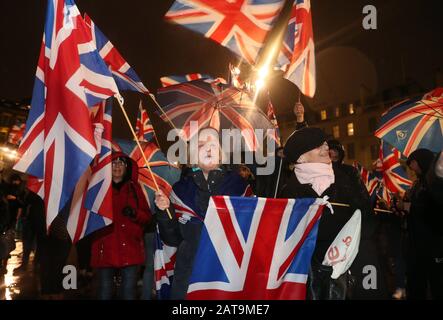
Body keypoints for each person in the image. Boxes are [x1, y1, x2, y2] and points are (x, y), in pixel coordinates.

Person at [280, 127, 385, 299]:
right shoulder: (288, 191)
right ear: (301, 157)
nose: (325, 147)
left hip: (353, 264)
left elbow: (367, 217)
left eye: (324, 143)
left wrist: (355, 254)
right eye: (317, 146)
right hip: (311, 273)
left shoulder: (348, 175)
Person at [154, 127, 252, 299]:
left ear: (221, 154)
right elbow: (172, 239)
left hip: (226, 273)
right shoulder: (179, 190)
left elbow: (251, 232)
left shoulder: (239, 186)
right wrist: (164, 212)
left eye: (213, 144)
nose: (208, 148)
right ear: (193, 154)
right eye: (201, 144)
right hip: (188, 275)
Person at [91, 153, 151, 300]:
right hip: (105, 248)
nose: (117, 166)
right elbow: (89, 216)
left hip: (130, 248)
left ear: (126, 167)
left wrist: (134, 213)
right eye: (113, 163)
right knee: (104, 291)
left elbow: (146, 217)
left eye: (121, 163)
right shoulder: (99, 189)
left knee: (128, 292)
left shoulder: (135, 189)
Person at [397, 149, 443, 299]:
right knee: (416, 283)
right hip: (416, 244)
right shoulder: (418, 184)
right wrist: (401, 206)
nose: (411, 167)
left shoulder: (435, 183)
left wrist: (410, 207)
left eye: (414, 163)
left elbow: (434, 206)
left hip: (434, 244)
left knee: (437, 283)